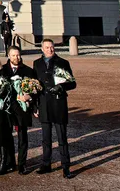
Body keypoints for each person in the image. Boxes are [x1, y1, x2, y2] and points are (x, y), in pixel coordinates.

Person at [33, 39, 77, 179]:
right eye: (47, 47)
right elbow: (34, 86)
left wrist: (61, 87)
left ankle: (66, 167)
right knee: (46, 138)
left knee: (62, 138)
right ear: (42, 49)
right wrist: (35, 106)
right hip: (44, 104)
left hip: (58, 104)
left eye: (51, 47)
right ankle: (46, 164)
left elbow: (72, 83)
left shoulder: (63, 62)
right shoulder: (37, 64)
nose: (50, 50)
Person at [1, 45, 37, 175]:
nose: (16, 57)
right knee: (7, 137)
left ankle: (22, 164)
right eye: (13, 55)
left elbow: (35, 89)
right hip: (8, 109)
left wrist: (30, 96)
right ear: (9, 56)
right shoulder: (3, 70)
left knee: (23, 138)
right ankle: (10, 163)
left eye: (18, 55)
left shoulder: (28, 71)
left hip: (22, 109)